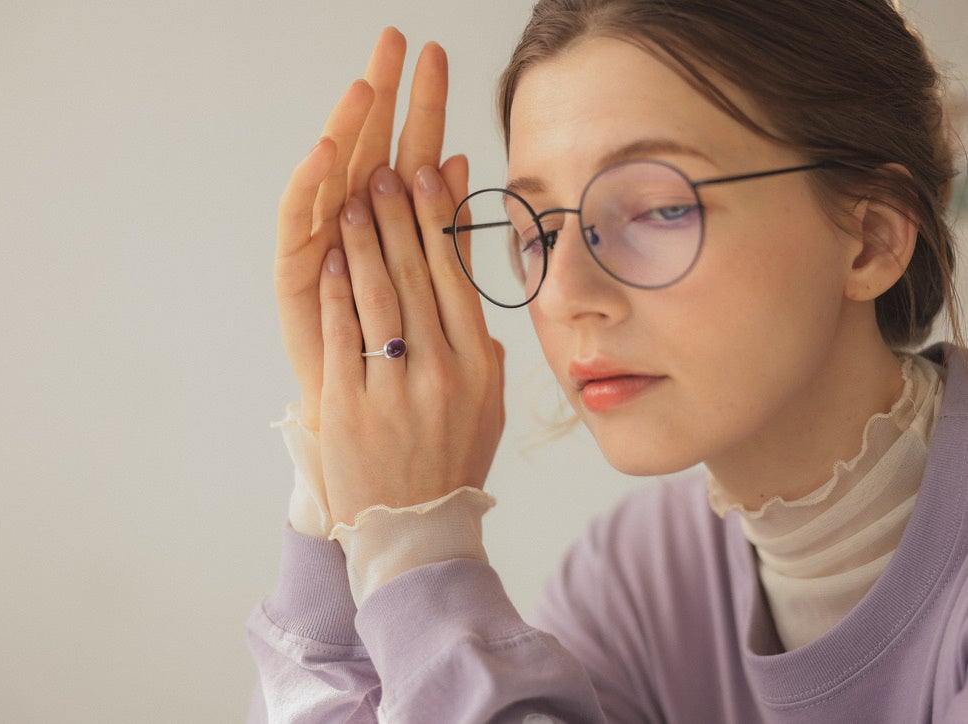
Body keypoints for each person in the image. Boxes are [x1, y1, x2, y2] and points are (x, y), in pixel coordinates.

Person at [248, 0, 967, 720]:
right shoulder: (640, 574)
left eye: (658, 209)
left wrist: (418, 553)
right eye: (540, 232)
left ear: (872, 238)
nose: (563, 295)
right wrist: (342, 463)